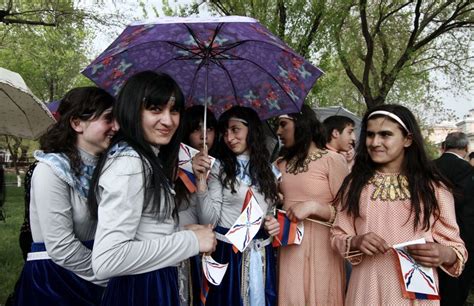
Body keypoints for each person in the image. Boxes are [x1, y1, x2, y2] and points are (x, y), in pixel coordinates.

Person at [88, 71, 216, 306]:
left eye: (174, 110)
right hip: (141, 290)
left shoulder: (146, 158)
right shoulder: (130, 163)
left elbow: (141, 230)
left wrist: (178, 230)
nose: (168, 121)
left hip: (152, 282)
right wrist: (190, 241)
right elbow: (108, 259)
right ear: (132, 110)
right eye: (155, 109)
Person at [331, 104, 467, 305]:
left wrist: (443, 253)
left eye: (385, 134)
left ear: (408, 139)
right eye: (370, 135)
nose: (375, 142)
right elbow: (336, 236)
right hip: (366, 290)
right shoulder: (354, 184)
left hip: (416, 294)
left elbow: (456, 247)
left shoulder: (432, 186)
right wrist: (356, 241)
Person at [13, 87, 117, 306]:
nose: (116, 127)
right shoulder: (50, 170)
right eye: (108, 119)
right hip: (55, 284)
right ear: (77, 123)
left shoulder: (110, 169)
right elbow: (61, 247)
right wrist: (112, 276)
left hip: (94, 281)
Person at [192, 105, 280, 306]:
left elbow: (270, 213)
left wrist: (272, 223)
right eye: (225, 132)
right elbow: (208, 220)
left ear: (252, 130)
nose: (229, 138)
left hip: (262, 254)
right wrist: (201, 181)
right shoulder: (218, 168)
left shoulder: (270, 172)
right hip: (228, 254)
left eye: (235, 129)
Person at [275, 104, 348, 305]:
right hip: (288, 246)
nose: (278, 131)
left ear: (301, 124)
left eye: (283, 125)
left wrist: (314, 207)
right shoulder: (280, 164)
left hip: (323, 248)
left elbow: (348, 214)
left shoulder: (332, 160)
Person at [176, 105, 219, 305]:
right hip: (170, 251)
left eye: (209, 129)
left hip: (200, 255)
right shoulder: (171, 165)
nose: (204, 135)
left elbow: (210, 221)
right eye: (196, 129)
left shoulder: (218, 169)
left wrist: (202, 182)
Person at [434, 132, 474, 305]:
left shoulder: (429, 167)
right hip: (462, 236)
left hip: (431, 235)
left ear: (444, 146)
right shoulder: (467, 171)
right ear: (466, 148)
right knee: (456, 291)